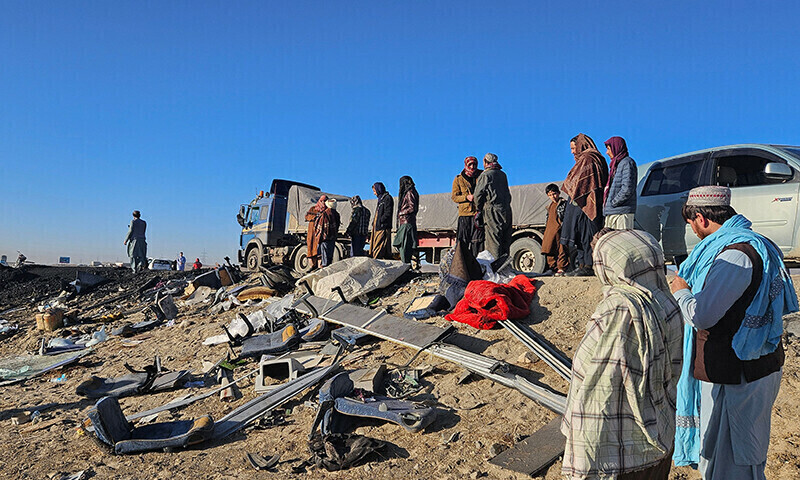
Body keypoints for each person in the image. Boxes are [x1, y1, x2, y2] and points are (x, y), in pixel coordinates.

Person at [669, 186, 797, 479]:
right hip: (749, 366)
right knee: (731, 453)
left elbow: (703, 316)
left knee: (737, 458)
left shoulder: (736, 255)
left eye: (691, 224)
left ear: (700, 219)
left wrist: (682, 292)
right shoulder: (755, 243)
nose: (693, 232)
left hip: (738, 372)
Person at [562, 229, 683, 480]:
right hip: (661, 430)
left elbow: (591, 379)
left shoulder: (617, 309)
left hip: (619, 447)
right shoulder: (669, 302)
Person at [560, 133, 609, 277]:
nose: (572, 151)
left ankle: (588, 265)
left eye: (574, 148)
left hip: (589, 204)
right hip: (584, 204)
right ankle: (582, 265)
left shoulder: (588, 158)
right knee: (581, 235)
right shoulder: (587, 159)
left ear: (581, 145)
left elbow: (580, 182)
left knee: (589, 236)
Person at [474, 153, 512, 260]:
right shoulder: (503, 174)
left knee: (493, 241)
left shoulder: (486, 175)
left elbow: (478, 195)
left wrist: (479, 209)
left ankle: (494, 268)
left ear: (485, 162)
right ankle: (504, 267)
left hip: (492, 210)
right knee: (505, 240)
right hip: (506, 210)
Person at [603, 136, 638, 229]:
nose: (607, 152)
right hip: (613, 212)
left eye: (608, 149)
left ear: (616, 147)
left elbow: (627, 188)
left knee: (623, 241)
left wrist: (613, 202)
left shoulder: (627, 163)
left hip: (621, 213)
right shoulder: (616, 165)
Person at [451, 156, 483, 257]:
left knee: (478, 242)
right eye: (470, 164)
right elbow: (454, 197)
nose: (472, 166)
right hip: (464, 215)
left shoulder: (482, 176)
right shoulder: (458, 179)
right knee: (463, 242)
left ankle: (477, 265)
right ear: (466, 165)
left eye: (474, 164)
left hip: (478, 214)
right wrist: (466, 197)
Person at [541, 184, 569, 275]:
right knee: (549, 249)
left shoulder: (563, 203)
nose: (552, 196)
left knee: (562, 249)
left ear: (559, 193)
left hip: (560, 230)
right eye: (550, 195)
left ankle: (561, 268)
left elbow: (565, 217)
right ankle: (552, 268)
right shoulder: (549, 206)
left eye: (554, 194)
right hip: (550, 230)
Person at [393, 176, 419, 264]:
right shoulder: (412, 192)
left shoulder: (409, 192)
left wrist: (401, 213)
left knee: (404, 247)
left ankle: (405, 266)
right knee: (405, 246)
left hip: (406, 223)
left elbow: (412, 207)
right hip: (407, 222)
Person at [369, 182, 394, 259]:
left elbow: (388, 212)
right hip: (378, 227)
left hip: (383, 227)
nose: (374, 193)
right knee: (378, 246)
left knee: (379, 247)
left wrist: (381, 221)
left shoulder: (387, 198)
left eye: (374, 191)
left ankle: (376, 263)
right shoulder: (381, 199)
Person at [304, 194, 328, 270]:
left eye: (325, 201)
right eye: (322, 201)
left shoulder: (327, 210)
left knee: (319, 251)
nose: (323, 202)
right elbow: (307, 217)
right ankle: (311, 266)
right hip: (312, 233)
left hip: (320, 233)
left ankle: (319, 267)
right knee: (311, 249)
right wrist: (315, 216)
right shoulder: (313, 209)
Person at [318, 198, 341, 267]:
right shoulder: (337, 214)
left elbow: (323, 227)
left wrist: (320, 237)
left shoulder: (325, 213)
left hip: (325, 237)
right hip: (333, 236)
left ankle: (324, 269)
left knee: (325, 255)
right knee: (330, 255)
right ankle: (328, 267)